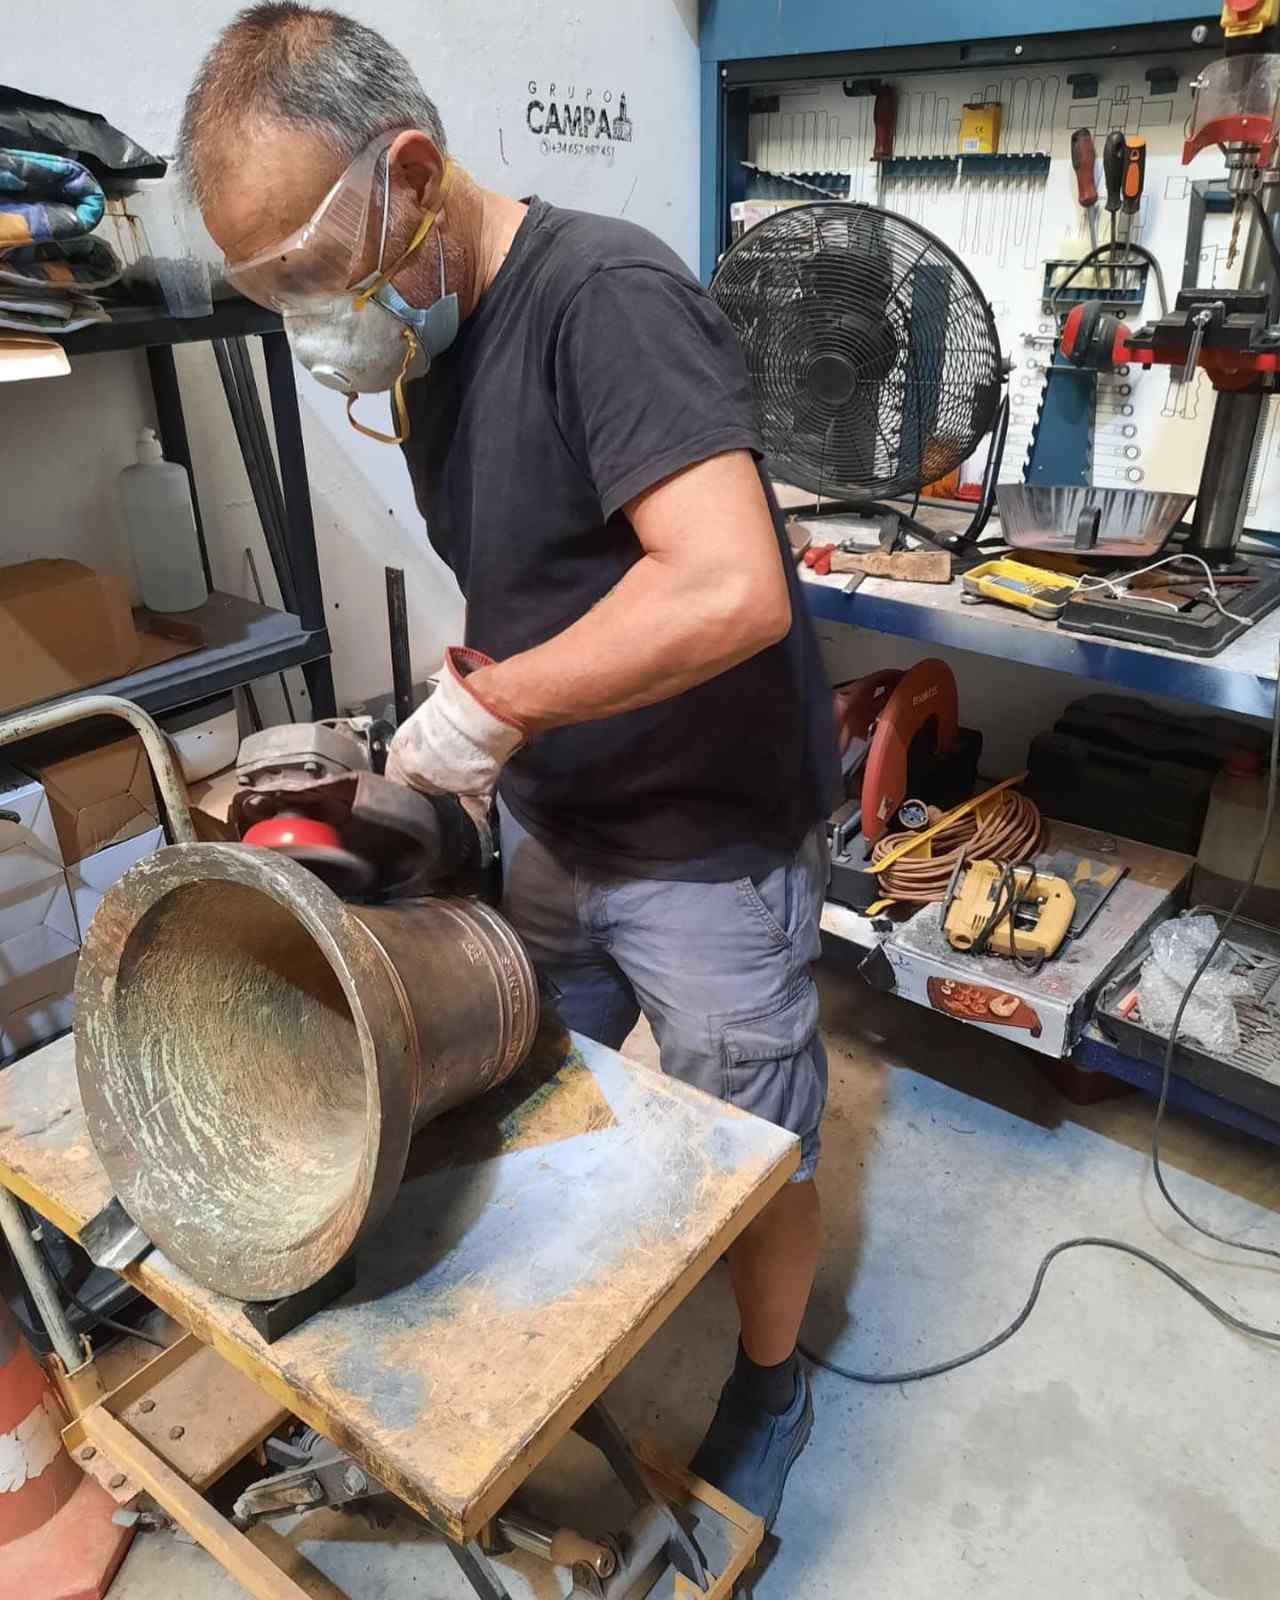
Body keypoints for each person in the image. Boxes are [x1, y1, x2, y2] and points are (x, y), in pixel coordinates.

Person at [180, 2, 840, 1530]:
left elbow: (728, 587)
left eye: (314, 275)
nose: (312, 319)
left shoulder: (604, 292)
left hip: (704, 836)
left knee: (757, 1141)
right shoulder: (429, 347)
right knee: (530, 1078)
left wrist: (500, 710)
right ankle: (559, 1324)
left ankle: (775, 1375)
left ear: (410, 173)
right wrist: (476, 695)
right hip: (561, 816)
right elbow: (549, 564)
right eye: (271, 293)